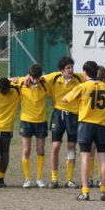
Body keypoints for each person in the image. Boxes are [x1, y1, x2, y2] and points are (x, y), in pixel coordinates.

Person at [63, 60, 105, 201]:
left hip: (86, 125)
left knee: (85, 157)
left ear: (85, 73)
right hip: (103, 125)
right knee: (103, 158)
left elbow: (65, 100)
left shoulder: (82, 86)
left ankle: (85, 191)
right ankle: (104, 191)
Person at [44, 56, 84, 189]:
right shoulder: (54, 77)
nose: (71, 70)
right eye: (68, 68)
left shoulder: (79, 78)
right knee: (55, 147)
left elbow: (95, 76)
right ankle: (54, 179)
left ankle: (70, 179)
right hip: (58, 115)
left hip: (73, 116)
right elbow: (37, 77)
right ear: (62, 70)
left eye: (72, 67)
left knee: (71, 147)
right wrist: (27, 77)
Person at [19, 64, 52, 188]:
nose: (35, 80)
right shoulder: (22, 82)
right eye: (33, 77)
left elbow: (52, 77)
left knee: (40, 150)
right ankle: (27, 179)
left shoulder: (45, 84)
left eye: (37, 78)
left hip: (41, 121)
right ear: (30, 75)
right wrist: (26, 77)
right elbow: (10, 80)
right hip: (26, 121)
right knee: (26, 150)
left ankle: (39, 178)